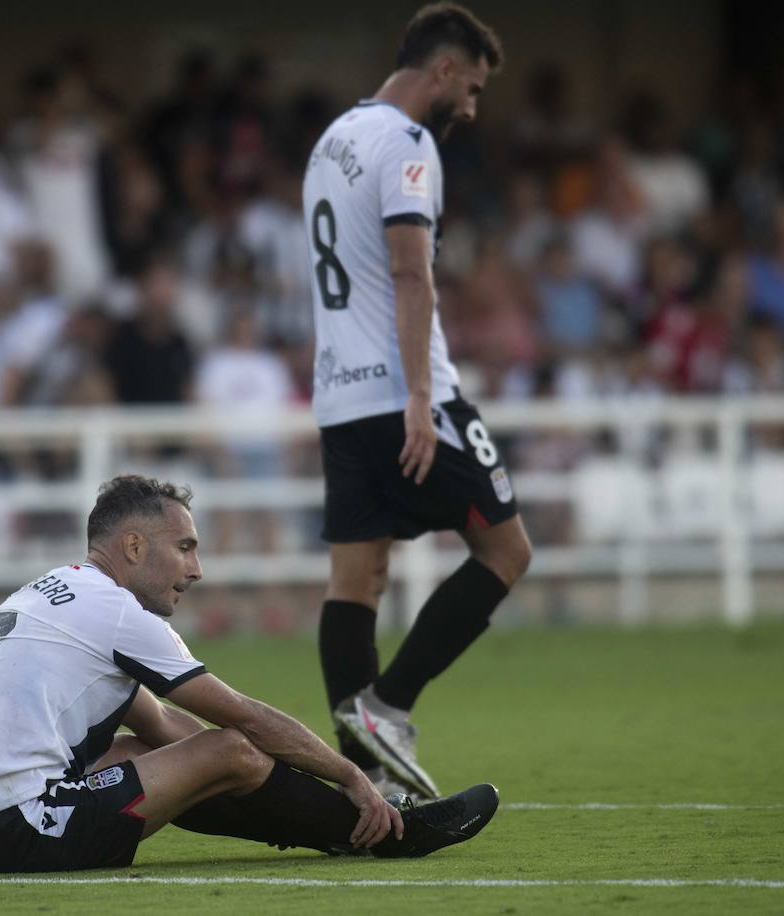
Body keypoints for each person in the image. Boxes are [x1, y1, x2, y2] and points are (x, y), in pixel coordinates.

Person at [0, 475, 499, 873]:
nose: (196, 569)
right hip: (23, 830)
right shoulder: (117, 613)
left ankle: (339, 827)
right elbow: (240, 720)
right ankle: (383, 833)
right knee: (230, 749)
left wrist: (268, 790)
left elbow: (164, 729)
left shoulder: (52, 593)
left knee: (142, 753)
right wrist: (351, 775)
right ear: (133, 545)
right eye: (184, 547)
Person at [301, 3, 532, 800]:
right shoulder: (407, 145)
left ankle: (362, 787)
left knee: (355, 580)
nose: (470, 107)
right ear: (441, 69)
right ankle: (387, 707)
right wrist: (422, 397)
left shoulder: (332, 142)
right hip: (405, 394)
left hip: (339, 397)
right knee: (508, 553)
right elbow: (409, 270)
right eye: (469, 87)